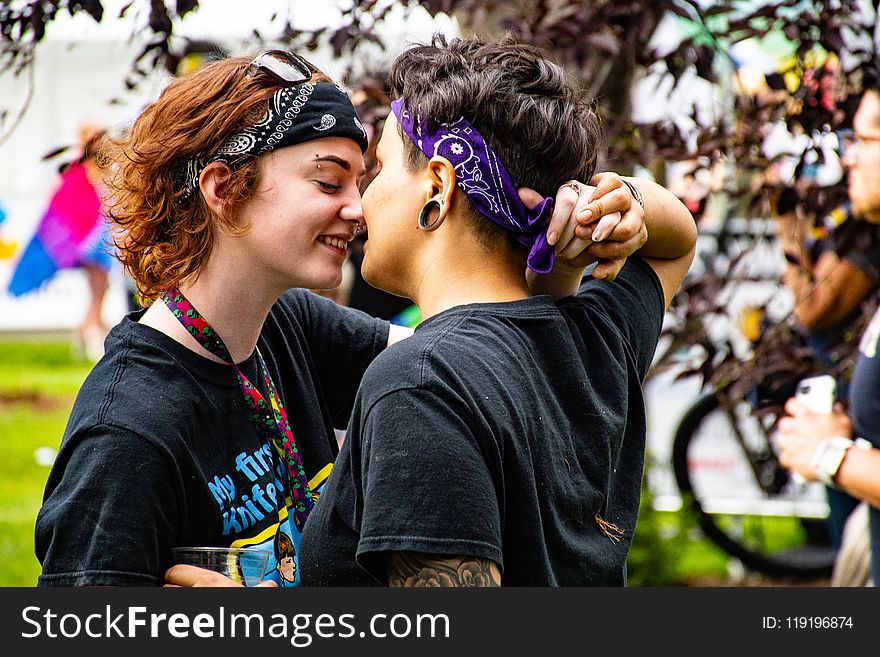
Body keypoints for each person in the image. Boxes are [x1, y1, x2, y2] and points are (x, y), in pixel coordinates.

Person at [35, 49, 639, 588]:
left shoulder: (291, 325)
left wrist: (599, 222)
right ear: (223, 189)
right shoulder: (124, 432)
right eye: (329, 181)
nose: (357, 207)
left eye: (365, 177)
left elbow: (485, 363)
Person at [296, 35, 697, 586]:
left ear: (437, 185)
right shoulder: (594, 336)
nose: (360, 199)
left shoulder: (422, 385)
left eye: (379, 167)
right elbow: (678, 242)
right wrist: (625, 198)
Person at [776, 58, 880, 587]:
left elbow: (812, 306)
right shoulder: (849, 211)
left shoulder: (865, 235)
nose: (851, 157)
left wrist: (833, 455)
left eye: (864, 139)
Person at [8, 122, 116, 361]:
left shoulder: (101, 172)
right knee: (99, 289)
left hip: (97, 244)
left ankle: (89, 331)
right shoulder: (79, 174)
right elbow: (68, 209)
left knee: (100, 289)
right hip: (88, 246)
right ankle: (92, 336)